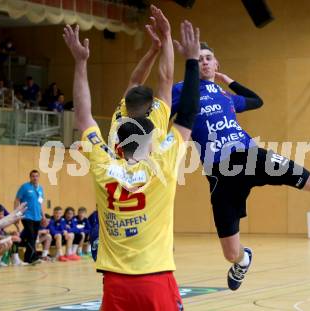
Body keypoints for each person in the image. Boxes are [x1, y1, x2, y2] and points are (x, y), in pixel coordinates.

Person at [170, 42, 310, 291]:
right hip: (220, 174)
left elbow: (257, 101)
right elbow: (158, 111)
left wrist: (230, 81)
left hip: (250, 156)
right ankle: (243, 260)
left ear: (216, 64)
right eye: (199, 58)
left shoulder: (225, 96)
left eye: (209, 58)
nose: (204, 61)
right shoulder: (182, 91)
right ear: (192, 63)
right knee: (230, 253)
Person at [63, 5, 200, 309]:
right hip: (154, 274)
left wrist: (80, 63)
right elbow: (180, 100)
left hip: (115, 279)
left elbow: (83, 117)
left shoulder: (105, 154)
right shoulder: (161, 165)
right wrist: (177, 49)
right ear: (150, 136)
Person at [15, 170, 45, 264]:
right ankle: (34, 257)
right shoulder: (25, 187)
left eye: (36, 176)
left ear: (38, 177)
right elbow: (17, 200)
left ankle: (27, 258)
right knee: (31, 236)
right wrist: (17, 215)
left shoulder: (40, 189)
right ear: (30, 177)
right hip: (27, 216)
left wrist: (43, 216)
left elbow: (40, 204)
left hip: (37, 217)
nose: (35, 178)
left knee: (33, 237)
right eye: (33, 176)